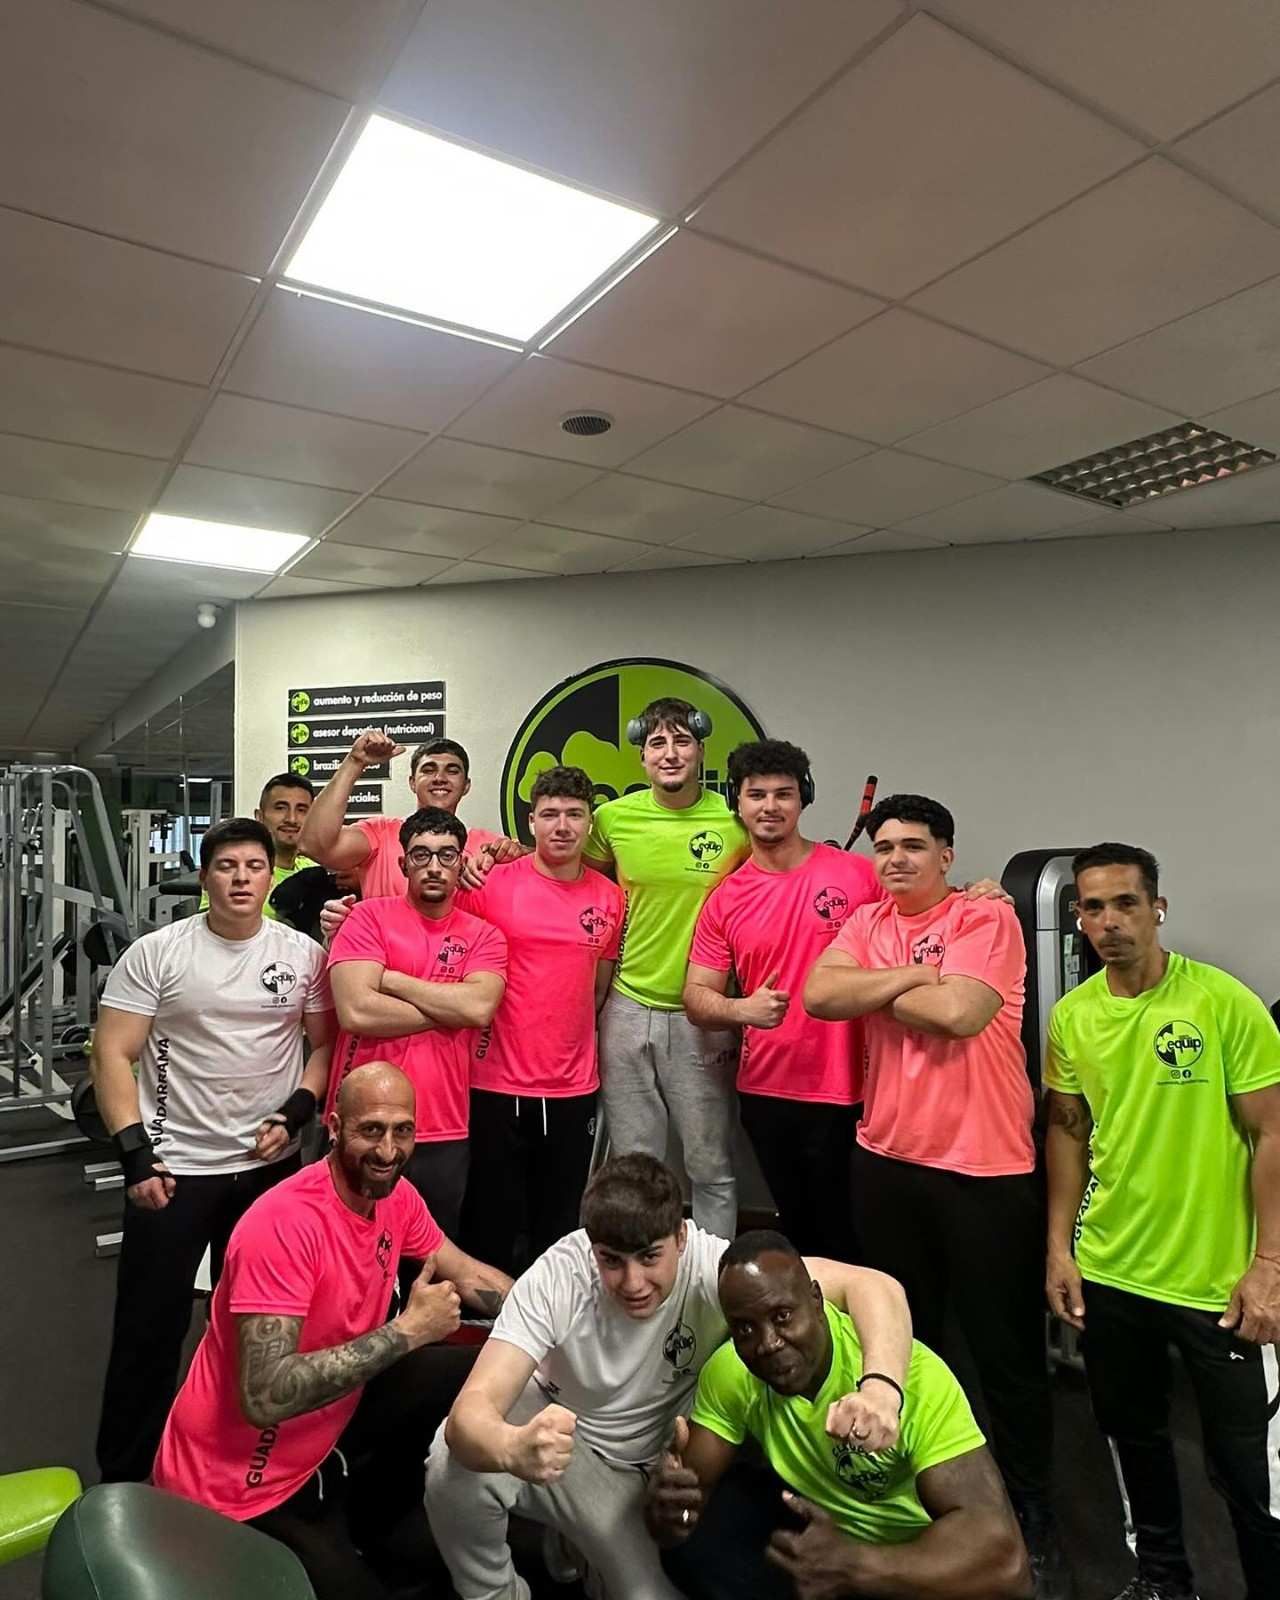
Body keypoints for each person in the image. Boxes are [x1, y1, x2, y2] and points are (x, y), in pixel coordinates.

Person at [426, 1153, 911, 1600]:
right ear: (592, 1247)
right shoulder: (557, 1277)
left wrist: (881, 1390)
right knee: (453, 1464)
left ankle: (575, 1542)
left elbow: (874, 1285)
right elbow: (470, 1414)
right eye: (611, 1260)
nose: (633, 1283)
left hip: (638, 1479)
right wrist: (512, 1448)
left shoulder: (711, 1268)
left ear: (680, 1237)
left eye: (649, 1257)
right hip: (565, 1438)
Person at [804, 794, 1066, 1597]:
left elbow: (961, 1013)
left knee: (1006, 1356)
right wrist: (917, 972)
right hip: (885, 1161)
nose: (895, 859)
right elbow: (818, 996)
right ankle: (921, 1498)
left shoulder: (986, 918)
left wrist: (873, 987)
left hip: (984, 1170)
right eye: (884, 846)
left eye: (913, 846)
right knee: (906, 1344)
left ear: (946, 856)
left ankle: (1031, 1513)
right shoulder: (867, 921)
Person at [153, 1063, 513, 1600]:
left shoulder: (394, 1197)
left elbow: (465, 1272)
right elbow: (264, 1396)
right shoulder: (284, 1226)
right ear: (335, 1126)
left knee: (484, 1366)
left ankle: (381, 1519)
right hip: (239, 1486)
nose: (388, 1150)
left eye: (402, 1131)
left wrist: (549, 1319)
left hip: (326, 1428)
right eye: (371, 1130)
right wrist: (408, 1330)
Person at [1044, 842, 1280, 1600]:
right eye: (1093, 908)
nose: (1109, 921)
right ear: (1079, 920)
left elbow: (1273, 1133)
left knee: (1249, 1473)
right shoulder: (1072, 1017)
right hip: (1113, 1272)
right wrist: (1059, 1247)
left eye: (1126, 903)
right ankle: (1162, 1581)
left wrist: (1269, 1265)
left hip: (1218, 1282)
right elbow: (1068, 1133)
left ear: (1158, 909)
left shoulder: (1222, 1002)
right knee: (1134, 1441)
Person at [91, 817, 335, 1484]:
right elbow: (112, 1052)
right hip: (174, 1168)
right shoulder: (160, 953)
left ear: (270, 875)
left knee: (258, 1326)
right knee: (149, 1328)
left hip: (267, 1170)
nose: (241, 879)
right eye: (227, 867)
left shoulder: (302, 955)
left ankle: (235, 1459)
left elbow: (324, 1046)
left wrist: (297, 1111)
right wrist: (135, 1152)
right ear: (205, 877)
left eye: (254, 866)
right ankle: (123, 1479)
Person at [648, 1230, 1032, 1600]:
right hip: (829, 1538)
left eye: (782, 1316)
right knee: (696, 1547)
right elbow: (686, 1509)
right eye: (745, 1328)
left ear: (817, 1301)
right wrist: (666, 1511)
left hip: (913, 1560)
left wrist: (854, 1566)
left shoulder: (918, 1381)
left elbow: (1009, 1566)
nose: (767, 1343)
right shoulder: (731, 1372)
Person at [684, 740, 881, 1260]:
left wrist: (979, 895)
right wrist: (741, 1010)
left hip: (857, 1090)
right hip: (770, 1090)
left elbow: (922, 916)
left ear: (803, 799)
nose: (770, 806)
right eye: (757, 795)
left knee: (857, 1233)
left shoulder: (859, 876)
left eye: (783, 794)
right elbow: (697, 996)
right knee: (800, 1231)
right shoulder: (726, 898)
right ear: (738, 802)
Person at [586, 698, 749, 1240]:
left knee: (710, 1163)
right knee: (635, 1164)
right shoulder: (612, 819)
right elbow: (577, 885)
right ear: (642, 755)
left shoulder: (735, 821)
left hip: (703, 1011)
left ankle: (715, 1276)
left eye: (682, 741)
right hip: (627, 1006)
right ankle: (645, 1266)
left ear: (702, 750)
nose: (670, 753)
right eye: (658, 742)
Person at [456, 764, 624, 1277]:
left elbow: (598, 988)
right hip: (495, 1081)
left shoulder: (609, 897)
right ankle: (486, 1319)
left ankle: (552, 1313)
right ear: (531, 821)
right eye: (550, 814)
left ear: (590, 822)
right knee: (491, 1218)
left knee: (559, 1221)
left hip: (573, 1086)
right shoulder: (489, 885)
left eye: (575, 814)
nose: (562, 826)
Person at [326, 807, 507, 1237]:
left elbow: (478, 1009)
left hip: (442, 1125)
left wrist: (389, 979)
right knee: (350, 1250)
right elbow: (357, 1011)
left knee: (431, 1257)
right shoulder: (367, 917)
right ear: (403, 863)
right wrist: (448, 1009)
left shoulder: (485, 935)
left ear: (461, 863)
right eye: (421, 855)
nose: (434, 866)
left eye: (447, 855)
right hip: (362, 1122)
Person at [299, 732, 523, 900]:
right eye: (428, 770)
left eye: (452, 771)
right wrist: (355, 762)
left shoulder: (487, 846)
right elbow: (313, 845)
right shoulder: (381, 835)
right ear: (412, 783)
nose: (439, 778)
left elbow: (540, 869)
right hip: (382, 951)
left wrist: (518, 852)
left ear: (466, 786)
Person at [197, 772, 318, 918]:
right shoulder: (233, 870)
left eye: (301, 810)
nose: (291, 819)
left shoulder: (315, 871)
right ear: (259, 817)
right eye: (280, 808)